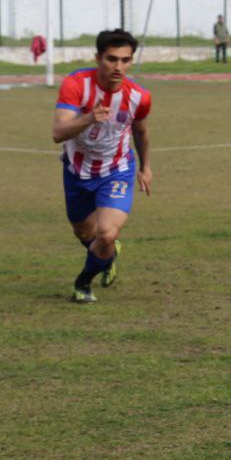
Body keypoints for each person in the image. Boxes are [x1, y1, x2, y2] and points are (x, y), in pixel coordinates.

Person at [51, 29, 153, 303]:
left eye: (125, 60)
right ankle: (108, 257)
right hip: (76, 170)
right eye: (111, 59)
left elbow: (140, 132)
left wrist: (146, 167)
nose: (118, 67)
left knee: (106, 233)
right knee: (85, 233)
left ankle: (83, 283)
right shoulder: (76, 84)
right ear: (98, 58)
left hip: (117, 169)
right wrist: (89, 118)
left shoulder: (139, 97)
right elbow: (58, 132)